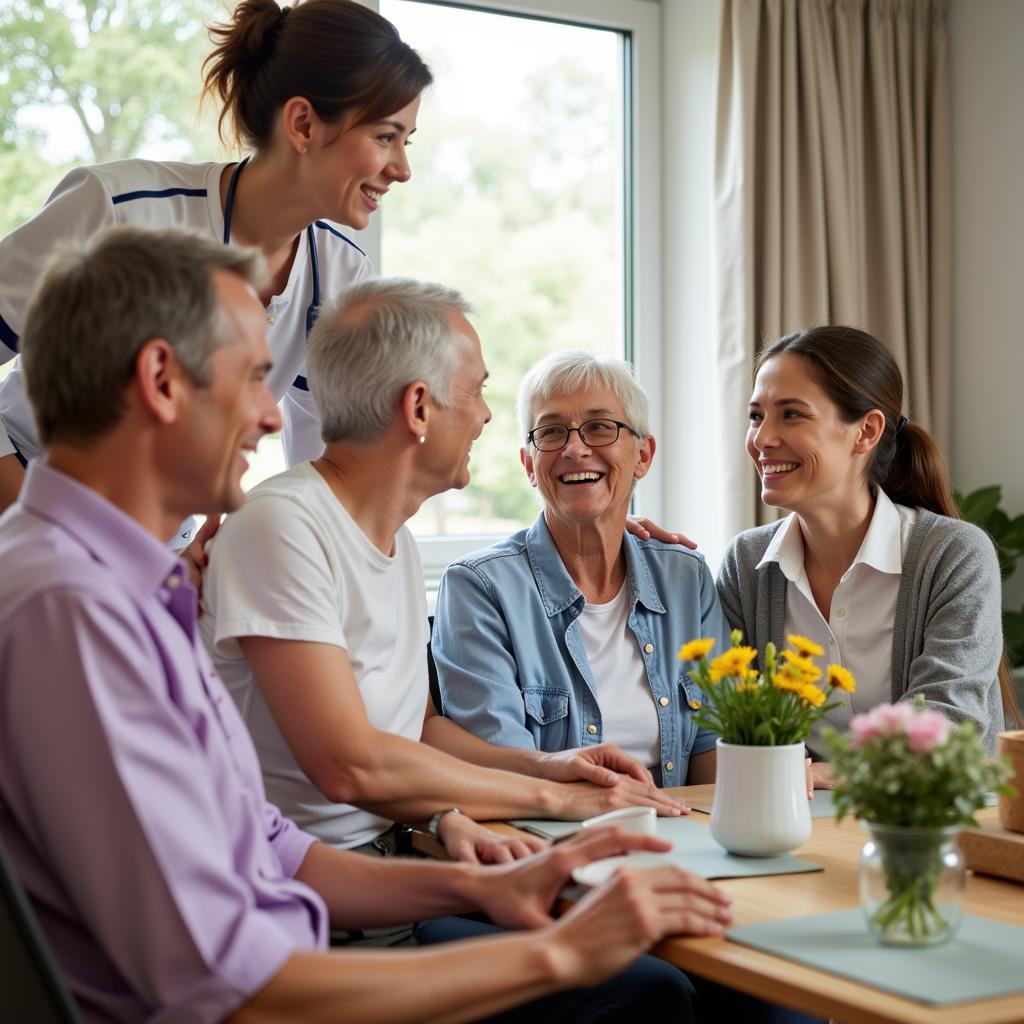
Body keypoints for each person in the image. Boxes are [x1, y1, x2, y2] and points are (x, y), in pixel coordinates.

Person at [0, 224, 734, 1023]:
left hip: (330, 923)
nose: (273, 418)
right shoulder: (71, 607)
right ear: (162, 381)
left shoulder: (133, 592)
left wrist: (484, 881)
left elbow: (270, 846)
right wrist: (557, 950)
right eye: (253, 378)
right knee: (650, 997)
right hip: (288, 983)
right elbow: (226, 986)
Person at [201, 282, 692, 889]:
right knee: (646, 984)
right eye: (478, 389)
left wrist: (551, 765)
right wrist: (556, 799)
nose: (486, 415)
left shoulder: (392, 536)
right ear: (418, 408)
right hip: (311, 898)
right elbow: (349, 767)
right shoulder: (282, 525)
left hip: (398, 853)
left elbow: (419, 732)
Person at [0, 0, 432, 536]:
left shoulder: (342, 274)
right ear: (302, 124)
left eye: (405, 141)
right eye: (385, 137)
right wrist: (31, 519)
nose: (403, 169)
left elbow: (321, 470)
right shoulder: (119, 207)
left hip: (153, 554)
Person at [717, 325, 1016, 768]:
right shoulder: (747, 564)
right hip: (796, 822)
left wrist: (819, 774)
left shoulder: (954, 555)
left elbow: (948, 723)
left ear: (866, 431)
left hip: (926, 820)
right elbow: (732, 719)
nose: (761, 439)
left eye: (791, 414)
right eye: (757, 415)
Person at [431, 349, 730, 789]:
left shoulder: (686, 580)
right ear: (529, 465)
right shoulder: (480, 588)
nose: (575, 448)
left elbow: (714, 753)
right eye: (551, 432)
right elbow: (506, 771)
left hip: (682, 832)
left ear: (643, 455)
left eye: (599, 428)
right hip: (551, 837)